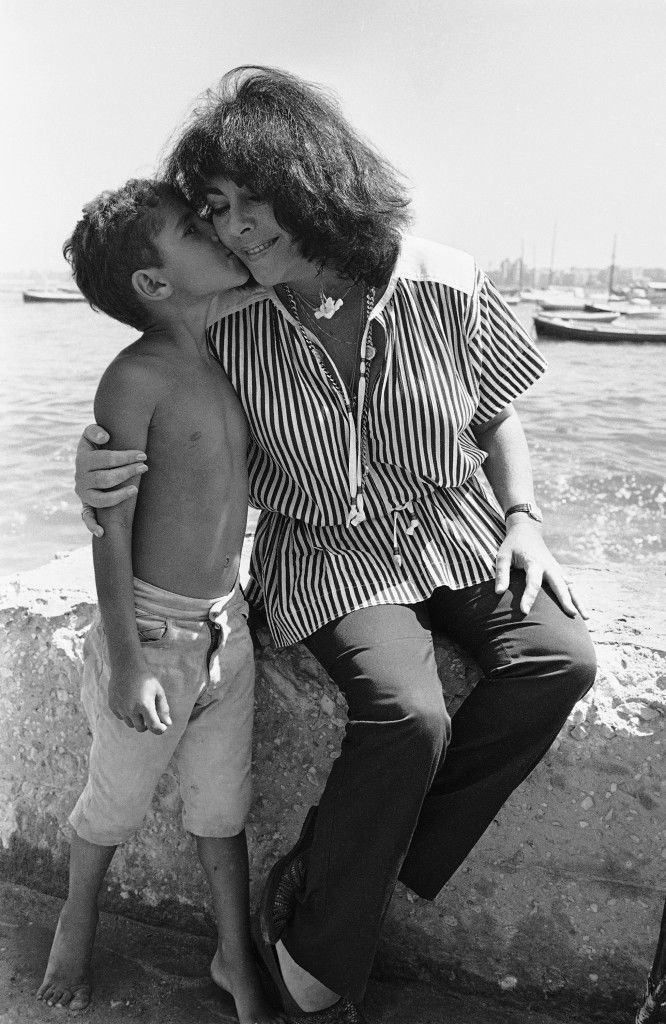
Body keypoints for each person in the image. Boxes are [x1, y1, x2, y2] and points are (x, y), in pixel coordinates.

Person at [74, 68, 597, 1024]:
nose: (236, 230)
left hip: (455, 528)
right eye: (217, 211)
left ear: (312, 176)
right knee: (409, 715)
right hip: (329, 553)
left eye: (251, 199)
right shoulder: (235, 313)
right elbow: (153, 385)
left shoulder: (444, 279)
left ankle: (351, 863)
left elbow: (497, 412)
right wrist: (94, 462)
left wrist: (523, 516)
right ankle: (319, 950)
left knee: (560, 661)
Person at [38, 178, 282, 1024]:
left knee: (224, 805)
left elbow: (270, 272)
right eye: (194, 227)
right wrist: (129, 661)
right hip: (151, 629)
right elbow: (111, 527)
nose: (219, 232)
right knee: (116, 800)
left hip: (228, 629)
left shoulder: (219, 345)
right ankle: (78, 916)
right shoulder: (134, 379)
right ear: (153, 283)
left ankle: (233, 952)